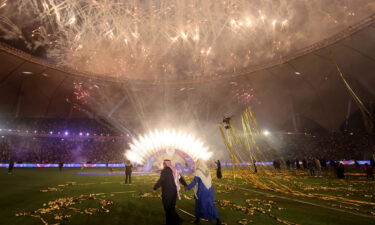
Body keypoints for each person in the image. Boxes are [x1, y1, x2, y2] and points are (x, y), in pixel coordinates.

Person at [186, 159, 222, 225]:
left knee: (199, 205)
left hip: (202, 191)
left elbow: (195, 181)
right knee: (211, 205)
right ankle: (218, 220)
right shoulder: (207, 170)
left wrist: (188, 187)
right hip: (209, 190)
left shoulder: (198, 171)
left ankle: (197, 219)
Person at [153, 160, 187, 225]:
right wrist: (185, 184)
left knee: (167, 208)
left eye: (163, 164)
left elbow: (161, 180)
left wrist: (155, 187)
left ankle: (175, 221)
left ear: (165, 164)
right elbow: (180, 178)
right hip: (174, 192)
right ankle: (175, 221)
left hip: (167, 192)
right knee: (171, 207)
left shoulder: (164, 171)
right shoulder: (174, 170)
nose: (163, 165)